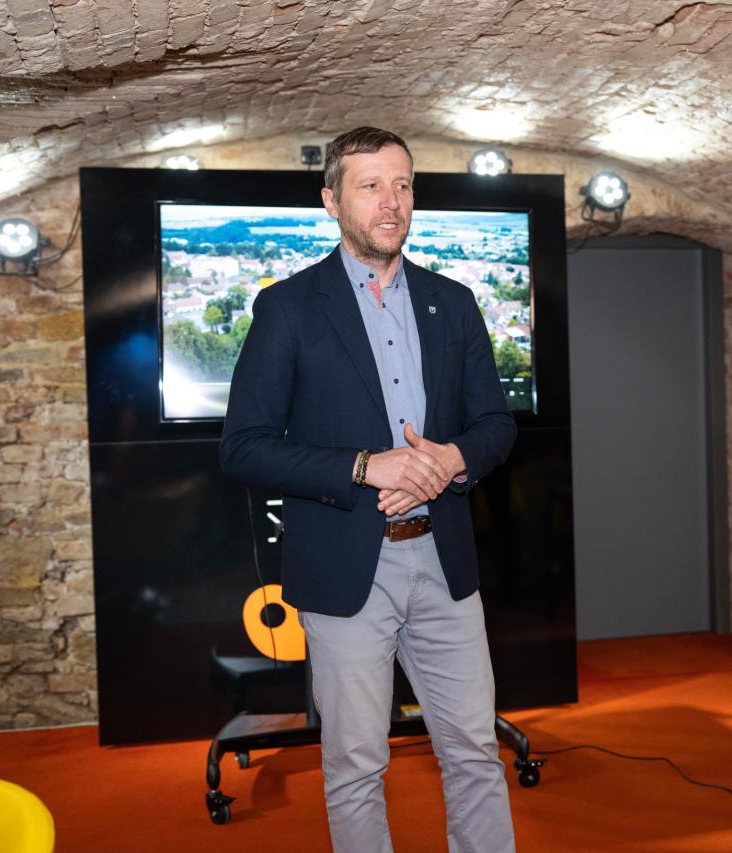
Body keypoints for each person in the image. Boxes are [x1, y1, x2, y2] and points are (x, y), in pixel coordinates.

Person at [220, 126, 517, 853]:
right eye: (372, 186)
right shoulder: (288, 307)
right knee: (356, 766)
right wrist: (363, 466)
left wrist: (452, 457)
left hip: (445, 564)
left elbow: (496, 425)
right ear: (331, 200)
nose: (392, 202)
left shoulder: (454, 301)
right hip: (346, 568)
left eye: (403, 185)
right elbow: (244, 448)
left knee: (475, 752)